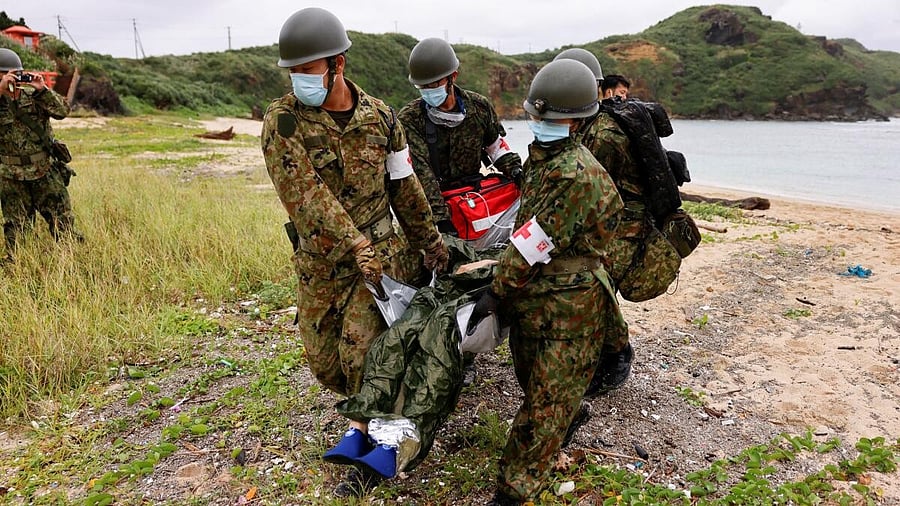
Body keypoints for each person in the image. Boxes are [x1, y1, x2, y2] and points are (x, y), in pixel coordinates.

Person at [260, 7, 449, 497]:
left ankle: (370, 444)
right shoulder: (283, 122)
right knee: (326, 362)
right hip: (322, 261)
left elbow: (405, 185)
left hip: (380, 259)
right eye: (294, 71)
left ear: (338, 64)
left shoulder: (382, 118)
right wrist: (354, 245)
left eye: (309, 69)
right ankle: (367, 414)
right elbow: (305, 197)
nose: (301, 79)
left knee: (364, 350)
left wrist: (430, 243)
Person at [467, 58, 627, 505]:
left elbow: (535, 241)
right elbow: (526, 227)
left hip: (572, 304)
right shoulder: (544, 157)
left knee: (543, 405)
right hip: (536, 295)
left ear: (575, 122)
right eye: (536, 116)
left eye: (550, 119)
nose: (539, 125)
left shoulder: (577, 174)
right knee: (531, 378)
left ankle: (515, 491)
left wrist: (496, 291)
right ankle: (567, 415)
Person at [399, 37, 523, 387]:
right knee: (431, 276)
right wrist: (440, 227)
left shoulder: (479, 107)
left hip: (473, 200)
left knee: (474, 275)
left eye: (434, 84)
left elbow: (497, 146)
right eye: (422, 86)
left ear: (452, 76)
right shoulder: (410, 118)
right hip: (433, 204)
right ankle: (432, 349)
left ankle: (466, 350)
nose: (429, 91)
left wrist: (516, 171)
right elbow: (419, 177)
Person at [0, 47, 80, 262]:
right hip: (11, 175)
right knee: (15, 224)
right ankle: (18, 263)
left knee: (61, 219)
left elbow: (63, 111)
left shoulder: (34, 96)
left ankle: (70, 260)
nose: (12, 78)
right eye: (5, 74)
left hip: (45, 170)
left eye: (16, 74)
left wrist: (42, 89)